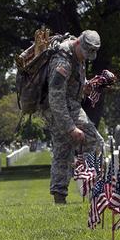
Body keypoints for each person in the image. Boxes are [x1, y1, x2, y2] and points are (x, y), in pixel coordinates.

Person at [40, 30, 104, 204]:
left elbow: (73, 83)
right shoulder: (62, 62)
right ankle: (95, 190)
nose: (86, 58)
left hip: (67, 105)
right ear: (78, 43)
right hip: (60, 109)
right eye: (85, 53)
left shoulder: (77, 56)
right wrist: (70, 127)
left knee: (63, 151)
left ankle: (60, 198)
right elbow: (56, 97)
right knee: (94, 141)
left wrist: (85, 86)